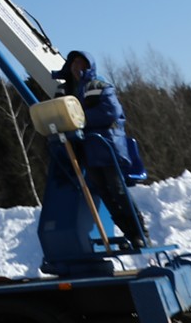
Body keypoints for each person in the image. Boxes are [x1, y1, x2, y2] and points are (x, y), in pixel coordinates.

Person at [56, 49, 146, 245]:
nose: (77, 68)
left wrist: (81, 120)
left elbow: (111, 111)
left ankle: (139, 230)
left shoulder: (98, 86)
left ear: (89, 66)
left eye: (81, 64)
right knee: (104, 192)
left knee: (117, 189)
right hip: (90, 150)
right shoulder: (70, 91)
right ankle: (129, 232)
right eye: (74, 64)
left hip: (107, 146)